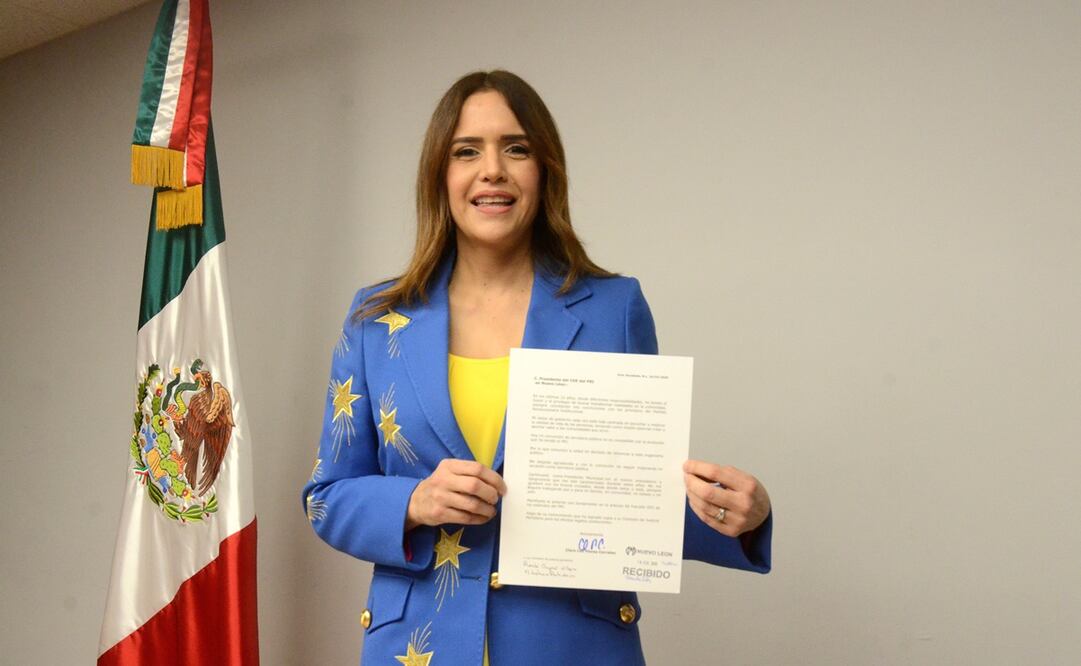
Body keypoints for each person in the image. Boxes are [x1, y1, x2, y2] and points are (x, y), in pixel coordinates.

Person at [302, 70, 772, 665]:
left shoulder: (614, 309)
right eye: (466, 151)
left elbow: (631, 501)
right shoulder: (375, 319)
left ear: (545, 170)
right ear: (439, 175)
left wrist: (739, 518)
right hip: (416, 646)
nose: (492, 170)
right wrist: (414, 501)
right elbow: (327, 496)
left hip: (572, 646)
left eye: (516, 148)